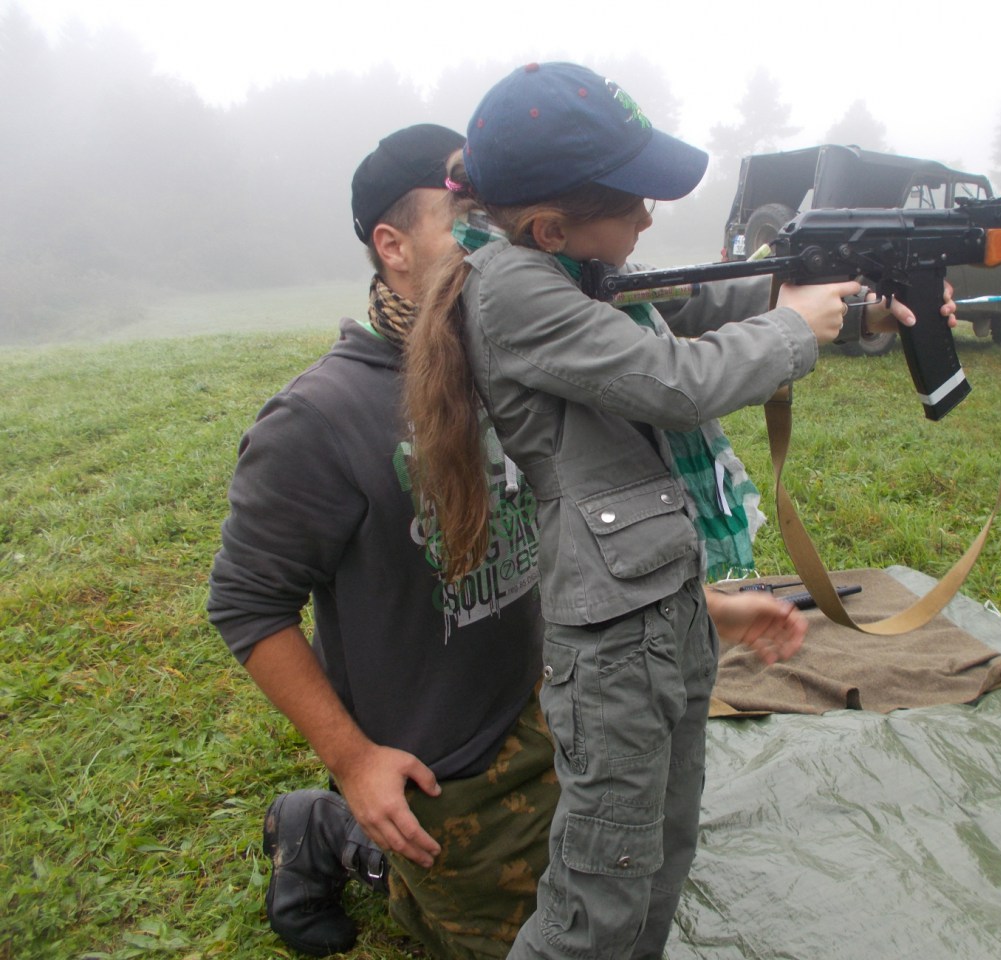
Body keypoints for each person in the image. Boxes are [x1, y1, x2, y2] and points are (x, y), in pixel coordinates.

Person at [208, 122, 811, 959]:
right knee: (551, 934)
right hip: (450, 763)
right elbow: (246, 605)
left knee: (627, 874)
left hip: (559, 700)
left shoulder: (535, 352)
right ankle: (331, 829)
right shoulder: (318, 420)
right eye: (467, 220)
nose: (499, 243)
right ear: (392, 247)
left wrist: (709, 607)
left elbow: (568, 530)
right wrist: (352, 760)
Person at [403, 63, 955, 960]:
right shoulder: (515, 291)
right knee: (599, 892)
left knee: (660, 851)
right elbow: (675, 380)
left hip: (662, 610)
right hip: (614, 646)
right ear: (550, 226)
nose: (649, 219)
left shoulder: (570, 268)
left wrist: (856, 304)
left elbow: (696, 298)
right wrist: (795, 326)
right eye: (633, 203)